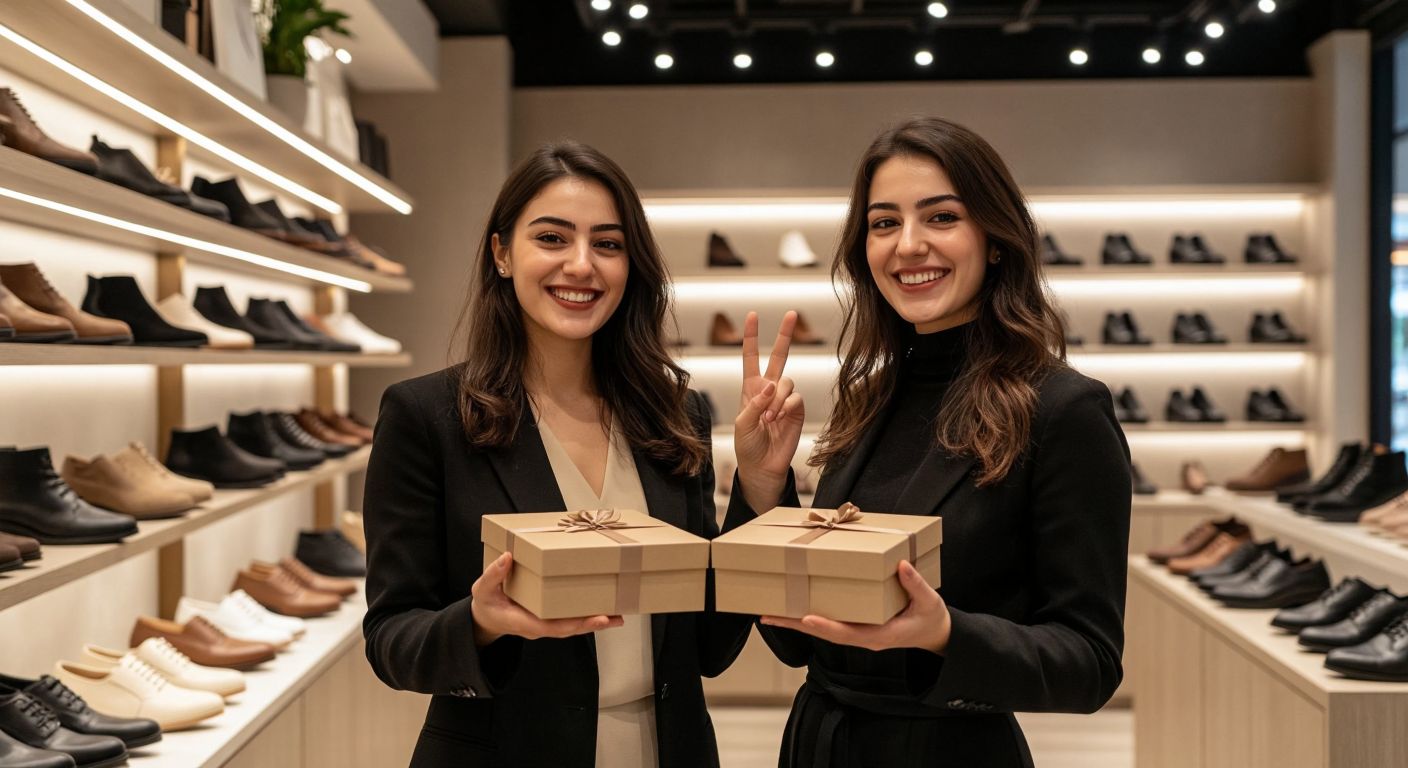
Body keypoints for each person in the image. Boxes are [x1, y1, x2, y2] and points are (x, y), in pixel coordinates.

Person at [732, 116, 1131, 767]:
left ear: (994, 238)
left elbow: (1089, 663)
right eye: (884, 223)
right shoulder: (871, 399)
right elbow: (797, 643)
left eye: (941, 217)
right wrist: (763, 486)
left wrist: (947, 634)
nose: (908, 245)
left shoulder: (1064, 410)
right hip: (819, 743)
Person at [361, 141, 753, 767]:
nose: (581, 265)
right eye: (551, 238)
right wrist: (481, 622)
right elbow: (390, 638)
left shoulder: (678, 417)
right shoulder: (426, 417)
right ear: (501, 253)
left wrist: (758, 487)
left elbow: (707, 643)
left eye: (608, 243)